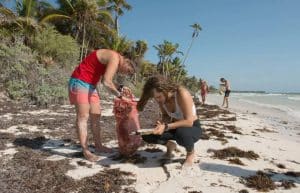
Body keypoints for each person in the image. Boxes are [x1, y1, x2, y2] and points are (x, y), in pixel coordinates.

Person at [69, 49, 136, 161]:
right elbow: (106, 82)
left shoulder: (114, 59)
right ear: (126, 62)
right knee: (83, 116)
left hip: (91, 85)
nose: (125, 74)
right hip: (80, 81)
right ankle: (85, 150)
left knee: (96, 115)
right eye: (127, 71)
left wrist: (121, 88)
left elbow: (105, 79)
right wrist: (120, 96)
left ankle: (98, 146)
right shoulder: (115, 57)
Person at [137, 76, 202, 166]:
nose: (157, 100)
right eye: (155, 98)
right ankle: (170, 145)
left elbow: (189, 121)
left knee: (181, 133)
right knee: (147, 134)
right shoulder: (161, 100)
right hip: (174, 127)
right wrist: (162, 123)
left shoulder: (181, 93)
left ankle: (190, 153)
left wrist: (166, 126)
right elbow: (166, 115)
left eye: (159, 96)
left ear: (165, 89)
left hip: (191, 127)